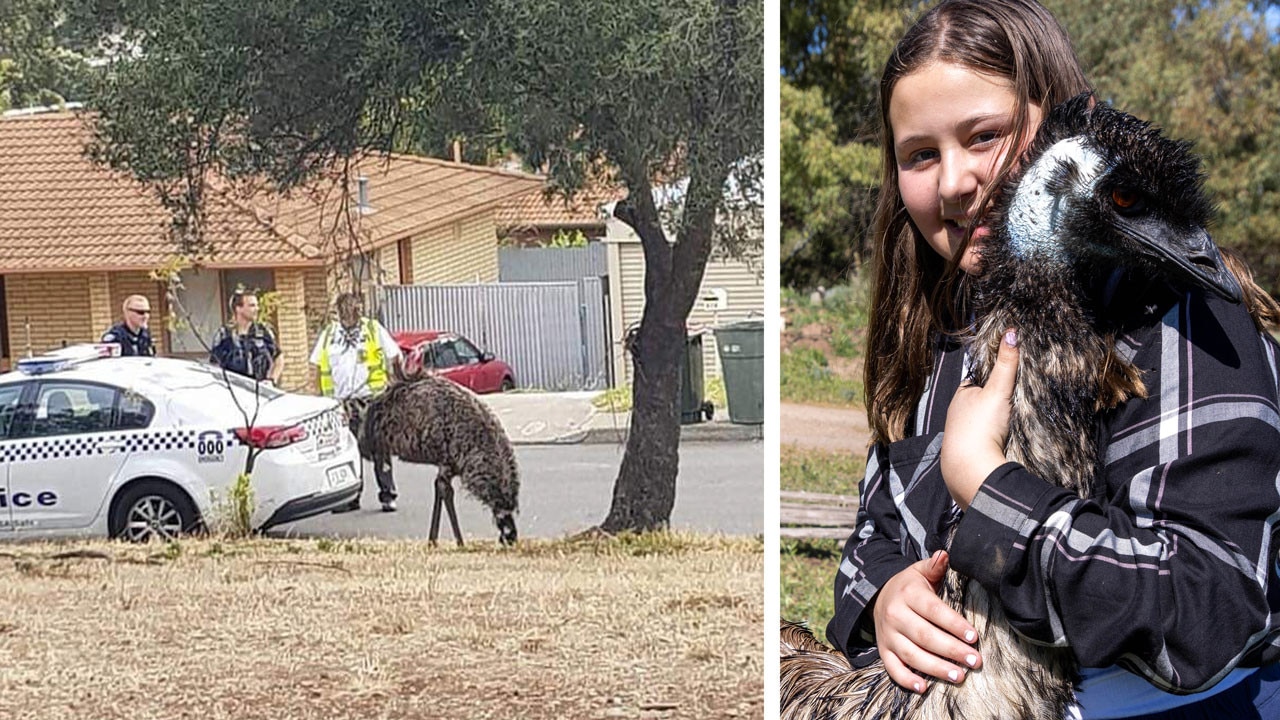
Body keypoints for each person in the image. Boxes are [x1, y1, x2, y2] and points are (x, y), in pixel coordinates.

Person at [824, 1, 1280, 718]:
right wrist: (884, 596)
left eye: (985, 136)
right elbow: (877, 528)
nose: (953, 182)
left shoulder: (1184, 328)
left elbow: (1209, 607)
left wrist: (989, 483)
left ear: (1061, 125)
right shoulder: (949, 330)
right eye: (920, 154)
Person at [309, 291, 402, 512]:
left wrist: (395, 387)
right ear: (341, 310)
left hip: (373, 400)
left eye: (358, 307)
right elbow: (315, 366)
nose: (356, 311)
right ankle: (351, 497)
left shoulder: (372, 329)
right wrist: (319, 400)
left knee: (380, 448)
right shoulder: (330, 334)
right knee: (348, 450)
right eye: (351, 308)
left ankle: (387, 495)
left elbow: (395, 356)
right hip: (342, 404)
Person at [208, 290, 282, 384]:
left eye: (257, 305)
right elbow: (214, 366)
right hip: (234, 389)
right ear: (238, 308)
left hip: (260, 389)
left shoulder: (263, 332)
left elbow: (279, 358)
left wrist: (272, 380)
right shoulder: (224, 335)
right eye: (252, 305)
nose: (257, 309)